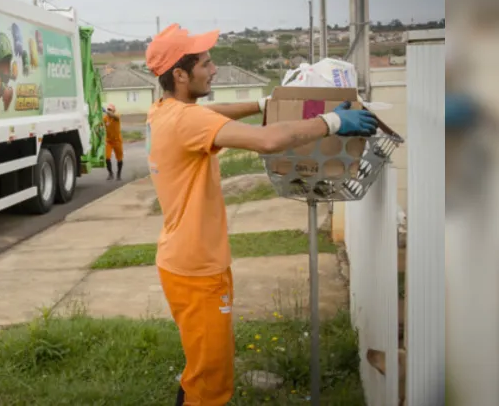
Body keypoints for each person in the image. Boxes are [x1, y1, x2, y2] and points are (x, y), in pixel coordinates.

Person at [144, 24, 378, 405]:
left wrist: (265, 103)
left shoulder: (165, 112)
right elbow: (267, 141)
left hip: (184, 261)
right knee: (212, 385)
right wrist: (333, 123)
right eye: (206, 63)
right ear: (180, 74)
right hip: (197, 270)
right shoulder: (188, 121)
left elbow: (212, 112)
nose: (214, 69)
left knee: (201, 370)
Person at [102, 103, 124, 180]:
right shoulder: (105, 118)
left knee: (119, 159)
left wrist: (105, 111)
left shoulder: (116, 117)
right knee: (107, 157)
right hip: (109, 141)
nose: (109, 111)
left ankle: (119, 174)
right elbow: (100, 125)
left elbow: (113, 115)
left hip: (117, 141)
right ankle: (110, 173)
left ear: (114, 110)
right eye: (108, 109)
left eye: (110, 110)